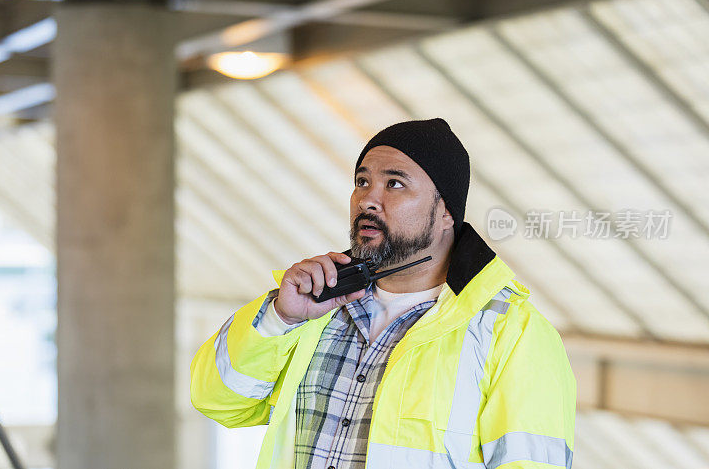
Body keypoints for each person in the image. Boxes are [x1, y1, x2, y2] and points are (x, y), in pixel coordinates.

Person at [190, 118, 576, 469]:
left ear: (446, 213)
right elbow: (219, 402)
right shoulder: (316, 306)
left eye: (394, 183)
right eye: (362, 182)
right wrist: (280, 318)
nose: (368, 200)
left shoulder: (511, 333)